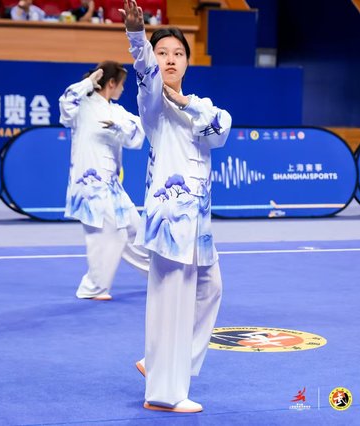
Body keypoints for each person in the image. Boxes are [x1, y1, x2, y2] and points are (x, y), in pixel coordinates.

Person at [120, 0, 232, 414]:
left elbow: (222, 128)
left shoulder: (199, 106)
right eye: (162, 52)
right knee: (171, 304)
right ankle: (164, 393)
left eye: (178, 53)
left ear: (187, 61)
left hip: (199, 227)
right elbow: (145, 73)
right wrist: (137, 37)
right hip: (169, 222)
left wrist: (187, 103)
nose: (169, 59)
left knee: (211, 290)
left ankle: (158, 363)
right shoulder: (153, 105)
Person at [59, 61, 149, 301]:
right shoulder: (83, 106)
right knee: (108, 235)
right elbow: (65, 103)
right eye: (121, 83)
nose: (123, 88)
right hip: (90, 187)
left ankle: (160, 276)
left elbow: (137, 133)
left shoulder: (116, 111)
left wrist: (118, 127)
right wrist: (87, 84)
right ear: (111, 83)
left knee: (134, 229)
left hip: (113, 188)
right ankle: (93, 288)